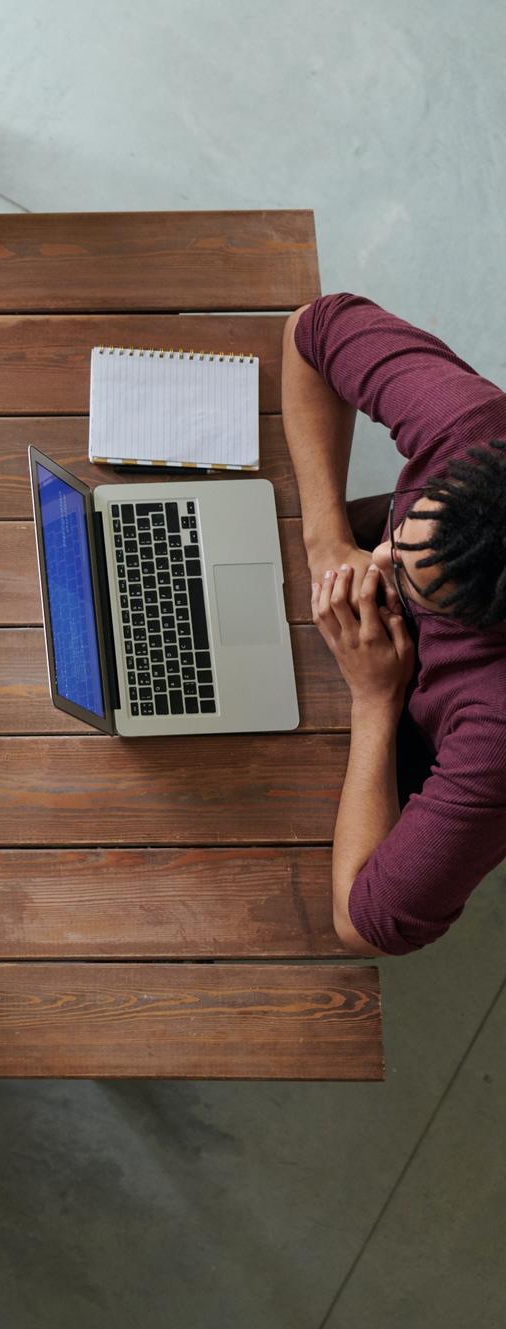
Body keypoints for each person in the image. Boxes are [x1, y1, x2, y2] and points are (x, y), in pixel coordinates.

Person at [281, 292, 506, 955]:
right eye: (401, 533)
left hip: (397, 710)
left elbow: (364, 921)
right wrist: (326, 542)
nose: (379, 558)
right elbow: (312, 327)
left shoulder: (495, 727)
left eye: (407, 578)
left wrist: (376, 698)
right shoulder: (473, 426)